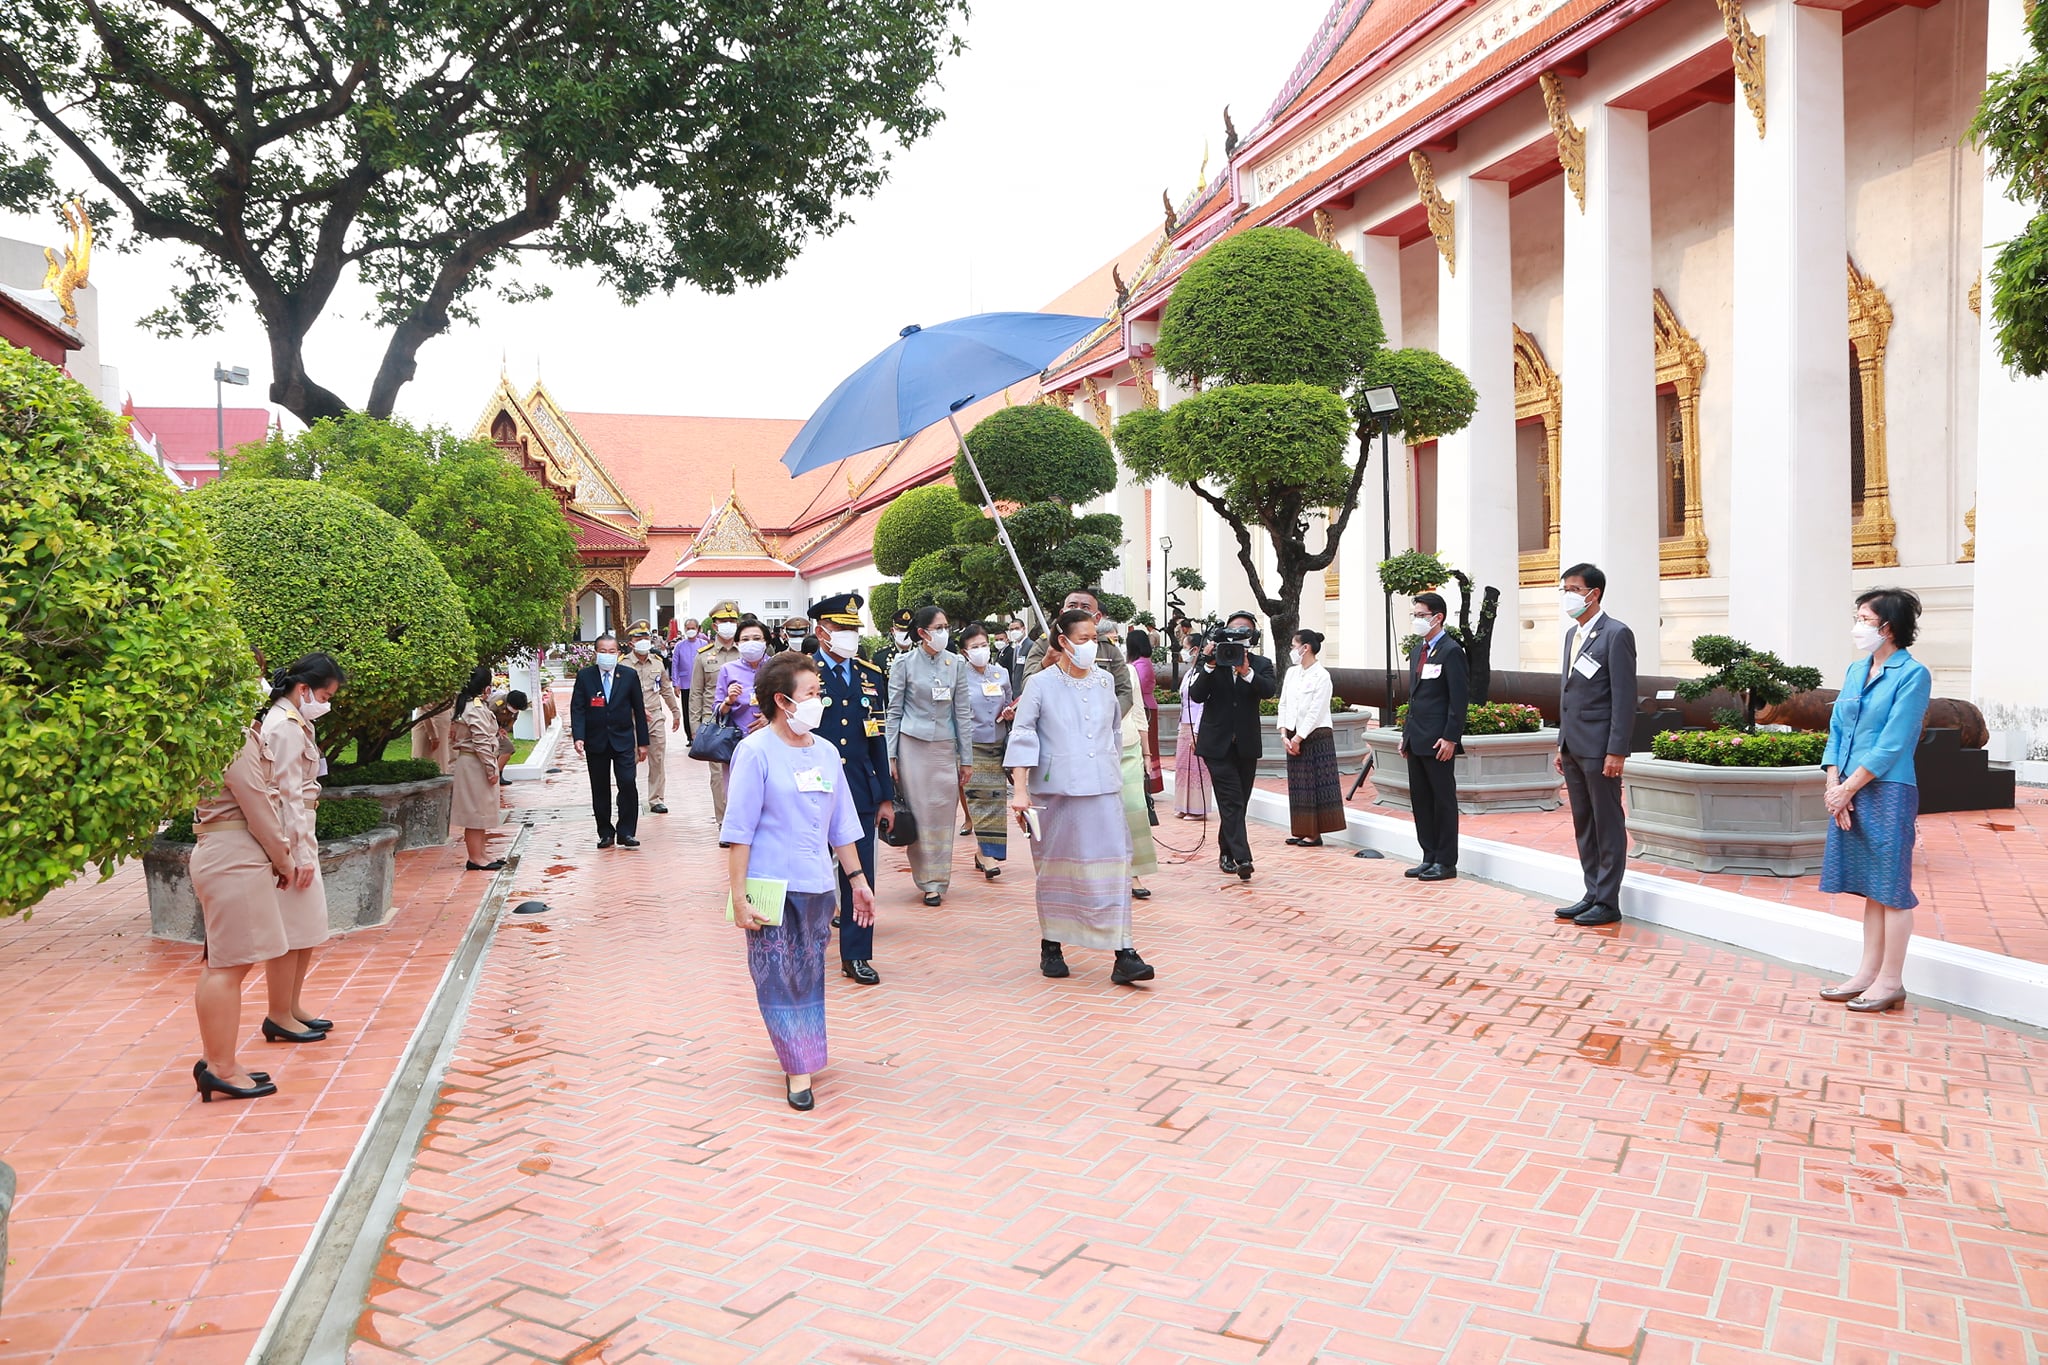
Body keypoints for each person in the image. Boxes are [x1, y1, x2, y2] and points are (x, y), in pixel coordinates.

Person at [720, 650, 876, 1111]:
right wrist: (739, 898)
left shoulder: (826, 752)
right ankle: (797, 1068)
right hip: (768, 886)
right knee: (775, 977)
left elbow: (842, 825)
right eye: (811, 693)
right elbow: (739, 832)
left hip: (816, 885)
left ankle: (803, 1052)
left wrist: (857, 880)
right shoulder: (755, 752)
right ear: (782, 700)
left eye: (818, 692)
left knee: (807, 976)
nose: (818, 701)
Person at [188, 655, 347, 1100]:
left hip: (228, 851)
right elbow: (259, 802)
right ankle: (220, 1065)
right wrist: (285, 858)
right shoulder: (233, 737)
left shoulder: (222, 733)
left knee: (224, 966)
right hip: (233, 854)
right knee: (227, 967)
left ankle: (219, 1061)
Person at [1007, 608, 1154, 985]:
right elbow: (1023, 735)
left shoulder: (1105, 681)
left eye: (1095, 639)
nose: (1091, 646)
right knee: (1057, 868)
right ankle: (1052, 944)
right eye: (1084, 639)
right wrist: (1020, 790)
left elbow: (1113, 732)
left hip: (1103, 788)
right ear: (1063, 642)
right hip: (1057, 792)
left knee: (1114, 866)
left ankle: (1124, 951)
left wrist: (1117, 772)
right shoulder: (1040, 684)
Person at [1817, 588, 1934, 1014]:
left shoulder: (1913, 674)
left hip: (1887, 788)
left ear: (1888, 627)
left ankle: (1891, 981)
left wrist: (1848, 788)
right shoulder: (1855, 670)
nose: (1858, 626)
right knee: (1872, 887)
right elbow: (1837, 729)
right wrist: (1834, 782)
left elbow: (1894, 741)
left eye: (1865, 619)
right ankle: (1866, 974)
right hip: (1847, 787)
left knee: (1892, 888)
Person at [808, 592, 894, 986]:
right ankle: (805, 945)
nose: (849, 636)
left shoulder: (870, 675)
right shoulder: (802, 674)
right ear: (821, 632)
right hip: (812, 787)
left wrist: (886, 796)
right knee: (808, 871)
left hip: (858, 787)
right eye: (840, 628)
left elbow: (877, 739)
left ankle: (856, 954)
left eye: (853, 629)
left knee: (860, 874)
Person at [1553, 563, 1639, 927]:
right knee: (1584, 823)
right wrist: (1561, 743)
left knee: (1607, 822)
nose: (1568, 596)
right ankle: (1591, 892)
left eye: (1574, 589)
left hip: (1601, 747)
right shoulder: (1572, 635)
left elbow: (1624, 697)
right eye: (1565, 590)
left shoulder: (1616, 634)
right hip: (1574, 745)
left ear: (1594, 593)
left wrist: (1616, 750)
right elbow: (1568, 693)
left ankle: (1607, 900)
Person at [886, 605, 974, 906]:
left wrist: (966, 757)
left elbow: (962, 712)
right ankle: (927, 881)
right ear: (922, 633)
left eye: (946, 627)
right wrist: (891, 756)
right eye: (938, 628)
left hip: (944, 746)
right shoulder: (904, 663)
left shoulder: (956, 663)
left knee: (943, 814)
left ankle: (940, 878)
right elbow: (894, 711)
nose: (944, 632)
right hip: (913, 746)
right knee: (921, 813)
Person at [1190, 612, 1278, 880]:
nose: (1238, 634)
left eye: (1245, 630)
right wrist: (1208, 664)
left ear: (1253, 636)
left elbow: (1269, 690)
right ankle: (1243, 858)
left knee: (1238, 802)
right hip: (1216, 745)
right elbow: (1196, 695)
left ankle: (1226, 852)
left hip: (1246, 744)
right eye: (1234, 629)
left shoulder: (1261, 663)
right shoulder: (1213, 660)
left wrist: (1247, 672)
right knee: (1232, 800)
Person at [1399, 594, 1468, 879]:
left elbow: (1458, 699)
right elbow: (1414, 698)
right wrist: (1406, 734)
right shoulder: (1419, 650)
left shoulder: (1451, 651)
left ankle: (1446, 861)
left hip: (1439, 740)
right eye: (1414, 615)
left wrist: (1451, 737)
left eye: (1421, 615)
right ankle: (1428, 855)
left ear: (1437, 617)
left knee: (1442, 801)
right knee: (1421, 801)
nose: (1416, 620)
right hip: (1416, 738)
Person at [570, 632, 651, 849]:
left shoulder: (629, 675)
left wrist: (643, 742)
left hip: (623, 740)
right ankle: (605, 832)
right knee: (600, 788)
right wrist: (579, 736)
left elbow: (639, 710)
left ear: (618, 653)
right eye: (603, 651)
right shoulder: (585, 676)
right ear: (596, 653)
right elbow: (577, 708)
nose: (607, 655)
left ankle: (626, 832)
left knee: (627, 782)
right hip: (596, 741)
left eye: (612, 651)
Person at [958, 623, 1015, 880]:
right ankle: (988, 855)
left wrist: (1009, 712)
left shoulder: (1000, 673)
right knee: (979, 798)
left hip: (998, 744)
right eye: (975, 647)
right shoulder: (960, 676)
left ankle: (983, 852)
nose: (981, 650)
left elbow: (1009, 701)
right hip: (972, 745)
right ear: (965, 652)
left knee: (996, 799)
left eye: (983, 645)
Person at [1279, 629, 1346, 850]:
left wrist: (1299, 737)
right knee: (1299, 784)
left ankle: (1315, 833)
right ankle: (1302, 829)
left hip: (1315, 734)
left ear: (1305, 647)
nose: (1292, 650)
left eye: (1293, 646)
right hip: (1293, 734)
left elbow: (1316, 711)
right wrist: (1284, 734)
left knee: (1316, 784)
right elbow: (1284, 703)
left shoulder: (1322, 676)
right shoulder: (1292, 673)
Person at [1022, 588, 1134, 716]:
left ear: (1097, 617)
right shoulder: (1044, 645)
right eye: (1072, 606)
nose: (1078, 611)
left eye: (1085, 607)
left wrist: (1108, 718)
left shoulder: (1107, 648)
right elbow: (1026, 688)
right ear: (1062, 613)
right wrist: (1046, 662)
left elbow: (1124, 691)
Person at [449, 665, 506, 871]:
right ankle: (475, 857)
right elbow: (481, 741)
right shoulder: (474, 708)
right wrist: (492, 769)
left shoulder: (470, 704)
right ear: (485, 687)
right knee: (475, 813)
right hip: (475, 763)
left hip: (475, 762)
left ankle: (481, 853)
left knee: (481, 811)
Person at [691, 601, 743, 819]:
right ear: (714, 625)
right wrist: (695, 728)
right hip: (715, 723)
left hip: (743, 720)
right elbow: (696, 693)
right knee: (718, 775)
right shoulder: (703, 656)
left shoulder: (746, 652)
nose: (728, 624)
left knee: (745, 771)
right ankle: (724, 821)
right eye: (724, 621)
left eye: (732, 621)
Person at [626, 621, 684, 814]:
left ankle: (656, 798)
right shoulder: (623, 664)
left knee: (657, 758)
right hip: (630, 718)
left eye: (646, 638)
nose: (643, 641)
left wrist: (675, 711)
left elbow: (665, 689)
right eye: (639, 638)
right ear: (631, 642)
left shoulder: (657, 663)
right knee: (630, 758)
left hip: (654, 717)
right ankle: (627, 796)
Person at [716, 616, 774, 739]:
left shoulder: (778, 667)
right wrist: (729, 700)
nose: (751, 643)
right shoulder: (728, 669)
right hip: (737, 737)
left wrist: (770, 716)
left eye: (757, 638)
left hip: (772, 736)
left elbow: (791, 703)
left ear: (766, 642)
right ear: (737, 643)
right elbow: (718, 711)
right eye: (745, 639)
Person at [1174, 640, 1212, 819]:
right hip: (1184, 723)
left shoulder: (1206, 673)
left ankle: (1198, 808)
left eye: (1186, 647)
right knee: (1183, 766)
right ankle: (1183, 805)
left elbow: (1204, 703)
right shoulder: (1190, 672)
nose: (1184, 651)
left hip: (1198, 723)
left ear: (1196, 649)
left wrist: (1197, 730)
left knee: (1197, 766)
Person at [672, 618, 705, 740]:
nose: (691, 630)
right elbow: (675, 665)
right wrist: (675, 683)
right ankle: (690, 736)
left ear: (698, 629)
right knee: (687, 710)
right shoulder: (679, 646)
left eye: (693, 628)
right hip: (685, 683)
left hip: (701, 683)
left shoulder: (704, 644)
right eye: (688, 628)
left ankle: (701, 735)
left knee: (702, 710)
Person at [491, 689, 530, 783]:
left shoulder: (515, 705)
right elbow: (487, 717)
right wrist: (497, 729)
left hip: (500, 730)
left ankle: (497, 775)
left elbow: (513, 719)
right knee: (507, 748)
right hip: (489, 729)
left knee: (506, 749)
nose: (516, 711)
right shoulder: (497, 703)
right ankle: (495, 776)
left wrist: (505, 729)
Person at [873, 607, 914, 675]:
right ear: (892, 631)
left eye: (908, 630)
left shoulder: (923, 655)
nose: (905, 634)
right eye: (901, 630)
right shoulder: (880, 656)